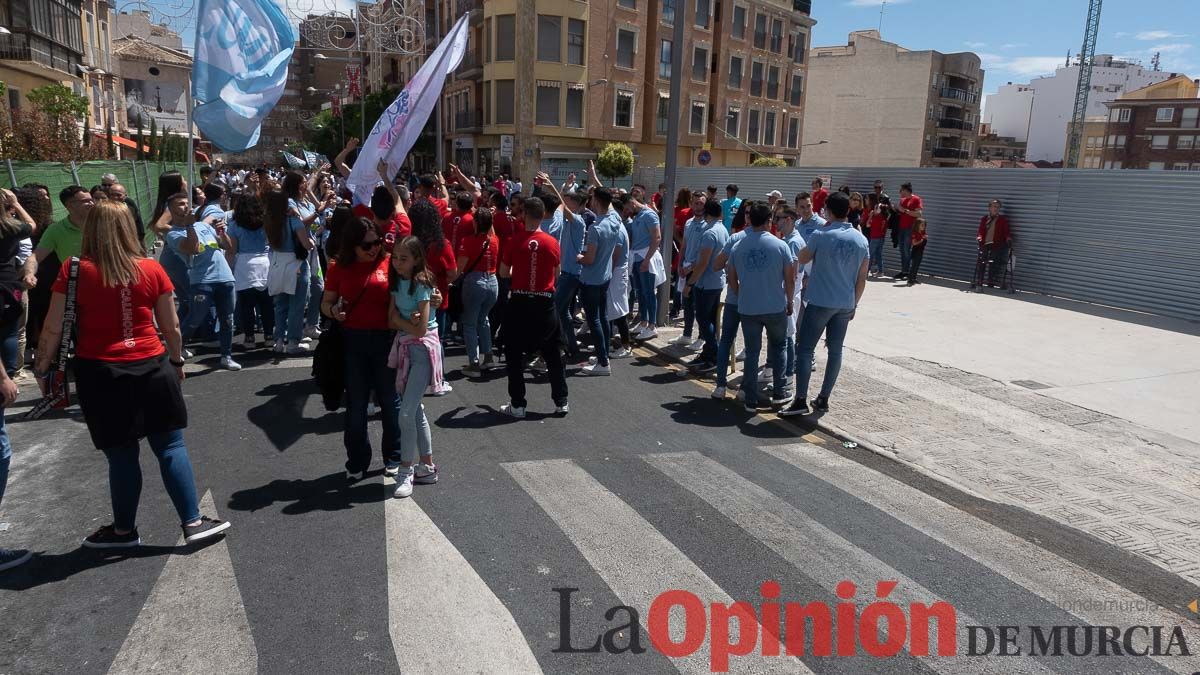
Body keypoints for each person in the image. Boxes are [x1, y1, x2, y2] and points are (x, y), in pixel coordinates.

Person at [33, 201, 230, 547]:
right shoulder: (151, 270)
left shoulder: (75, 269)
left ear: (91, 229)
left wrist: (43, 368)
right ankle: (193, 521)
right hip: (153, 365)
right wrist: (176, 363)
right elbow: (171, 328)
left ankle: (123, 530)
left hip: (101, 372)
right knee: (170, 445)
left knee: (121, 453)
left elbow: (52, 326)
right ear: (128, 228)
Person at [321, 217, 403, 480]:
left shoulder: (391, 263)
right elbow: (326, 303)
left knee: (390, 401)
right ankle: (357, 460)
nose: (374, 248)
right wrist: (333, 311)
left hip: (385, 340)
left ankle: (394, 455)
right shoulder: (338, 268)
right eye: (367, 244)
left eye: (378, 242)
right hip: (352, 342)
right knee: (356, 406)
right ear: (352, 245)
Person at [781, 191, 869, 417]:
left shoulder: (821, 234)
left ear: (827, 211)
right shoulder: (861, 239)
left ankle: (800, 399)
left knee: (805, 349)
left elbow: (802, 258)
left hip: (820, 301)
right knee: (835, 351)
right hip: (845, 303)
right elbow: (862, 278)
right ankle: (823, 398)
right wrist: (854, 305)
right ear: (847, 210)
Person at [498, 197, 567, 418]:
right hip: (544, 302)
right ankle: (561, 401)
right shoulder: (552, 242)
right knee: (553, 353)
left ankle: (518, 404)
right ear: (543, 214)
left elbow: (502, 272)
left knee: (514, 354)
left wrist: (520, 272)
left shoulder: (514, 240)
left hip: (519, 301)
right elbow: (557, 274)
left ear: (525, 214)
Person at [386, 235, 442, 497]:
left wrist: (402, 323)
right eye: (395, 257)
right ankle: (427, 467)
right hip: (406, 350)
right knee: (414, 409)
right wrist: (404, 323)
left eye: (403, 258)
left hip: (422, 352)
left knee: (406, 413)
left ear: (417, 259)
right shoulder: (397, 281)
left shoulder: (421, 283)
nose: (397, 262)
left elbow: (420, 329)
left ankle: (405, 470)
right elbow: (390, 319)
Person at [727, 202, 796, 412]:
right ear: (768, 221)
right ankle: (779, 392)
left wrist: (743, 296)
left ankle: (750, 398)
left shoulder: (738, 246)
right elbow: (790, 278)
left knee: (752, 352)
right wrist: (790, 300)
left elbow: (732, 278)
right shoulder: (780, 245)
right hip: (775, 305)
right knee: (779, 347)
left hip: (748, 307)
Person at [164, 193, 241, 371]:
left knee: (227, 319)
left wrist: (222, 232)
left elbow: (228, 246)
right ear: (171, 210)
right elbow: (193, 249)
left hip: (225, 277)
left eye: (186, 203)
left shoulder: (202, 226)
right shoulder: (173, 234)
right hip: (201, 280)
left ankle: (226, 356)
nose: (186, 206)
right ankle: (176, 348)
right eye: (180, 204)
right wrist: (190, 225)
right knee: (195, 318)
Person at [265, 172, 317, 355]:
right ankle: (293, 341)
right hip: (296, 264)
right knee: (297, 304)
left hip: (276, 262)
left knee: (280, 304)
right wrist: (311, 242)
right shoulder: (293, 219)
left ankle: (279, 340)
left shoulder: (269, 221)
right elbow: (306, 243)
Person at [410, 200, 457, 385]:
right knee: (436, 339)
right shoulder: (442, 244)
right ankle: (437, 377)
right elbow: (452, 273)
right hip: (437, 298)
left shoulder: (408, 243)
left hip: (411, 298)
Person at [576, 187, 621, 376]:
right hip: (604, 276)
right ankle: (604, 355)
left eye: (592, 197)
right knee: (602, 317)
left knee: (593, 319)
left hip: (592, 278)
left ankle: (603, 362)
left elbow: (589, 258)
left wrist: (578, 257)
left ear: (596, 201)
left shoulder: (596, 228)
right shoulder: (614, 220)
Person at [683, 198, 728, 374]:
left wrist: (690, 283)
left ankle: (715, 354)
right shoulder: (722, 229)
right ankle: (708, 354)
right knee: (709, 320)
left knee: (703, 319)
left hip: (706, 283)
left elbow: (703, 263)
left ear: (706, 213)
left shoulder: (710, 233)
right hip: (715, 281)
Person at [226, 193, 275, 349]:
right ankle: (269, 335)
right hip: (265, 262)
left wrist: (228, 268)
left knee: (247, 305)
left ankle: (249, 338)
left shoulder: (234, 225)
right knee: (267, 303)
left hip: (244, 264)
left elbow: (232, 250)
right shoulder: (266, 222)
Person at [456, 207, 499, 373]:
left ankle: (473, 362)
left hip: (474, 282)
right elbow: (491, 231)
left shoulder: (467, 242)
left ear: (474, 223)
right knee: (483, 319)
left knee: (469, 323)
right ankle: (488, 356)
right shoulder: (494, 240)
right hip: (492, 282)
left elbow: (460, 268)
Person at [671, 191, 708, 351]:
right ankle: (687, 334)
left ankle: (702, 337)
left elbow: (704, 253)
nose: (698, 206)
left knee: (699, 306)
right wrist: (680, 265)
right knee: (686, 302)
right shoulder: (689, 223)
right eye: (695, 203)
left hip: (698, 270)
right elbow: (684, 245)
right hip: (685, 268)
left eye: (701, 203)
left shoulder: (708, 225)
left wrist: (690, 267)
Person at [625, 193, 663, 340]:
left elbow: (657, 237)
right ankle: (644, 322)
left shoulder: (649, 215)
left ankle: (652, 325)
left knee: (648, 292)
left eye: (628, 208)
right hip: (636, 257)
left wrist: (647, 259)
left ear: (632, 203)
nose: (627, 211)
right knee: (641, 292)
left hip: (645, 257)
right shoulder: (638, 216)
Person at [34, 186, 93, 267]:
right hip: (77, 277)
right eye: (85, 201)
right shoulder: (55, 230)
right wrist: (29, 272)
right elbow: (36, 257)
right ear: (69, 205)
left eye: (91, 200)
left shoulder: (104, 224)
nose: (92, 204)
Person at [974, 199, 1011, 289]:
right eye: (994, 206)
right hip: (984, 244)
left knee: (993, 264)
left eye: (997, 207)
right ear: (989, 208)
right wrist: (979, 237)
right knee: (982, 263)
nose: (996, 208)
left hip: (996, 244)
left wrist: (1008, 238)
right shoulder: (985, 219)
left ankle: (990, 283)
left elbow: (1006, 232)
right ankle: (980, 282)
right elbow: (980, 231)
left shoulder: (1002, 220)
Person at [895, 182, 923, 280]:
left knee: (907, 250)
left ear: (906, 190)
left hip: (909, 229)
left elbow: (919, 214)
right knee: (902, 250)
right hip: (901, 228)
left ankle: (908, 272)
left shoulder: (916, 199)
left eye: (901, 190)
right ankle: (904, 271)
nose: (899, 192)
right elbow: (900, 212)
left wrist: (905, 211)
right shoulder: (902, 200)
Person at [864, 194, 888, 277]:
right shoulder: (884, 218)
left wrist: (870, 216)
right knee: (878, 254)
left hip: (875, 238)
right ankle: (881, 271)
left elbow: (867, 225)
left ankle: (866, 272)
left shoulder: (876, 218)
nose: (874, 209)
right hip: (881, 238)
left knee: (870, 254)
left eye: (876, 208)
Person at [907, 217, 929, 286]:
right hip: (916, 251)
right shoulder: (914, 233)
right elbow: (914, 243)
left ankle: (914, 278)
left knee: (917, 266)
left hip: (921, 251)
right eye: (922, 225)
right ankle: (910, 280)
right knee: (914, 266)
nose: (923, 226)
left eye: (924, 225)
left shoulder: (923, 232)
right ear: (917, 225)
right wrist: (922, 239)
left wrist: (924, 238)